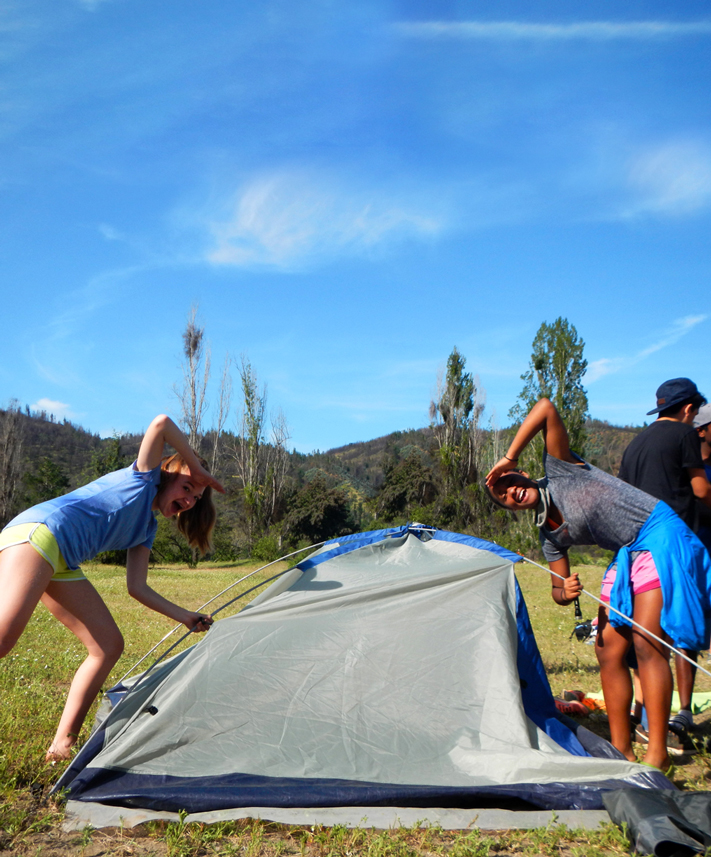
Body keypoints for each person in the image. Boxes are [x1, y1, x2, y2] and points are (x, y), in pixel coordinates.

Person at [485, 398, 711, 772]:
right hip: (627, 551)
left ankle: (656, 755)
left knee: (646, 643)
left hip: (657, 532)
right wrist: (564, 593)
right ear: (511, 509)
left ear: (522, 474)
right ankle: (621, 752)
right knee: (607, 650)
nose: (510, 492)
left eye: (510, 483)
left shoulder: (559, 470)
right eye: (503, 497)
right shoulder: (550, 534)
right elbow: (559, 589)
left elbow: (545, 408)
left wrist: (506, 457)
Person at [0, 414, 225, 762]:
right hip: (40, 534)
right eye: (187, 487)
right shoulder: (143, 479)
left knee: (107, 645)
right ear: (166, 475)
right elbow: (161, 424)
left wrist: (185, 616)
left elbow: (137, 588)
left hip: (62, 559)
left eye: (196, 497)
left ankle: (62, 746)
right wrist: (196, 465)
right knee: (3, 640)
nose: (191, 500)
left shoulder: (145, 528)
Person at [618, 379, 711, 738]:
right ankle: (661, 729)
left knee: (640, 638)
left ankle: (643, 718)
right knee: (667, 637)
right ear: (688, 409)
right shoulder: (684, 436)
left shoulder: (636, 442)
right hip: (670, 544)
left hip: (634, 545)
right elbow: (700, 490)